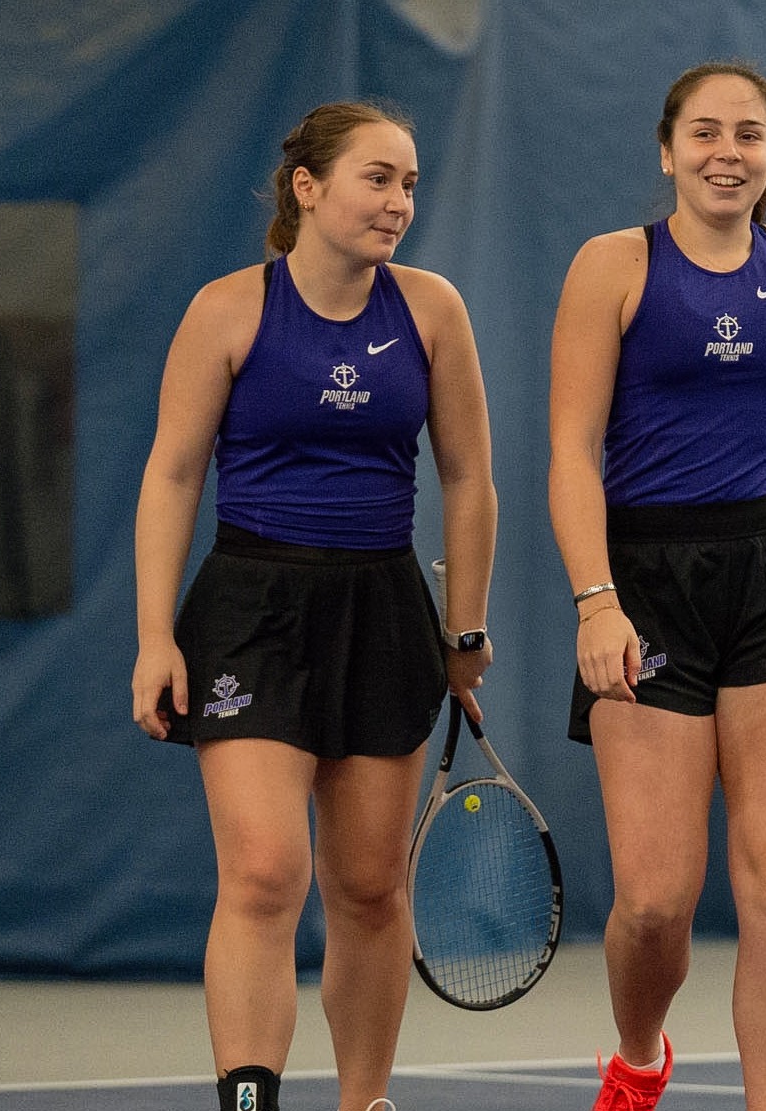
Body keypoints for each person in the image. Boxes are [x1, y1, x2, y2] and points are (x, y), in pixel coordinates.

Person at [132, 101, 496, 1111]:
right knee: (261, 872)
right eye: (377, 178)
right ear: (309, 188)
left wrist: (462, 629)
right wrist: (154, 636)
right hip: (251, 606)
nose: (398, 202)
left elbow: (469, 478)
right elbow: (169, 476)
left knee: (371, 887)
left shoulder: (431, 312)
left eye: (410, 183)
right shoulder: (227, 310)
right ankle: (250, 1099)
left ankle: (363, 1099)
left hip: (383, 610)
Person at [547, 61, 766, 1111]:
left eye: (750, 135)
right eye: (707, 133)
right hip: (645, 585)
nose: (729, 152)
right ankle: (638, 1055)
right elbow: (571, 452)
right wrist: (595, 599)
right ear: (667, 149)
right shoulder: (612, 267)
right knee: (654, 902)